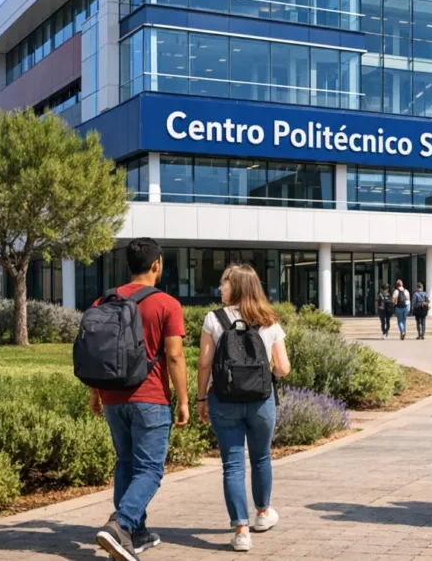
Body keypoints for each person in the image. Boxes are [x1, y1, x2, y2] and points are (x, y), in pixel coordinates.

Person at [92, 238, 189, 561]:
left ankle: (135, 534)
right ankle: (120, 525)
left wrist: (95, 395)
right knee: (150, 469)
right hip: (150, 398)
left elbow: (96, 354)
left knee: (126, 463)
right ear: (157, 264)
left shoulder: (103, 301)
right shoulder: (167, 304)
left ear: (129, 266)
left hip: (112, 398)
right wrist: (185, 400)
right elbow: (175, 357)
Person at [197, 264, 291, 553]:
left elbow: (203, 363)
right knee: (262, 457)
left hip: (224, 400)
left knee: (233, 464)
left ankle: (240, 531)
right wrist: (265, 376)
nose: (220, 288)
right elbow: (284, 368)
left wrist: (201, 398)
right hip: (261, 401)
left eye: (224, 283)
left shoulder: (214, 319)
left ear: (236, 286)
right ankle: (262, 514)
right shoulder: (269, 320)